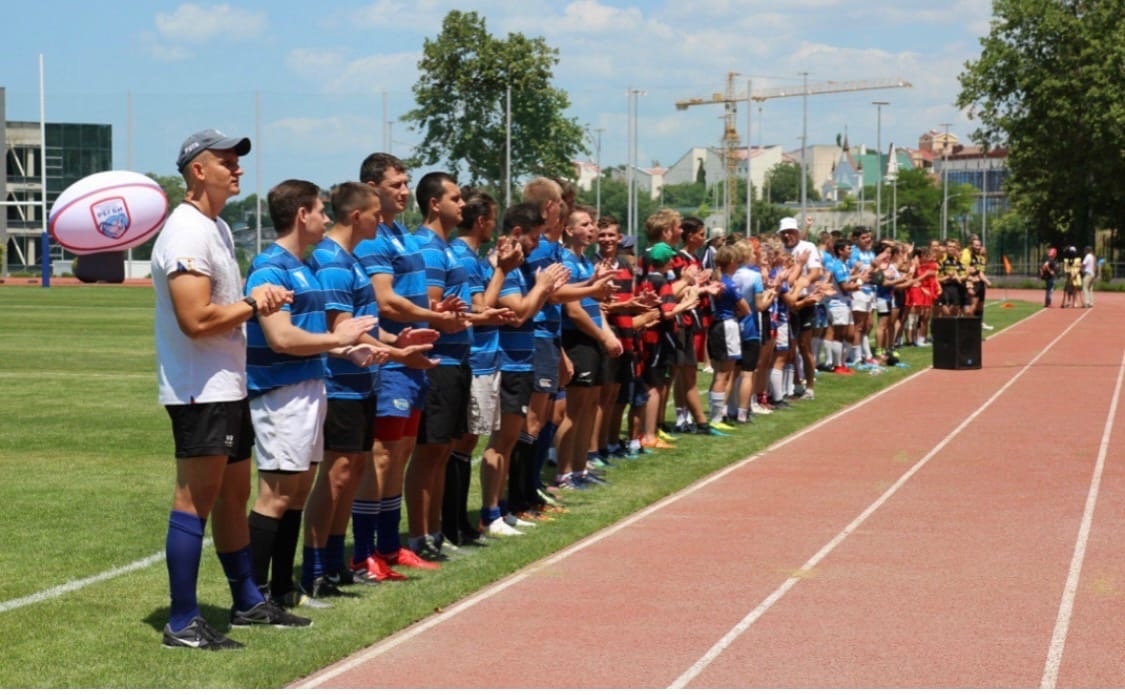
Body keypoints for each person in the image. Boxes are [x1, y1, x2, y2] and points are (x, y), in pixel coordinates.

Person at [153, 129, 305, 650]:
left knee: (233, 495)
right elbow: (195, 318)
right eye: (226, 161)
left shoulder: (214, 227)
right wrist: (255, 304)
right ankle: (182, 620)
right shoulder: (187, 232)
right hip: (201, 388)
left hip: (226, 385)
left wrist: (250, 300)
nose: (237, 168)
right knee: (195, 499)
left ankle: (246, 601)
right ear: (198, 169)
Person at [244, 180, 380, 610]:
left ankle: (284, 591)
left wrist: (351, 349)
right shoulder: (270, 267)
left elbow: (318, 336)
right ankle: (253, 596)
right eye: (321, 210)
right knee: (277, 494)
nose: (326, 217)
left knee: (298, 493)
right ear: (302, 214)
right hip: (281, 392)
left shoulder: (301, 266)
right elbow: (281, 337)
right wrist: (335, 340)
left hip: (309, 387)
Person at [300, 182, 437, 599]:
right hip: (339, 383)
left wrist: (398, 343)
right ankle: (316, 566)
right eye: (376, 213)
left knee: (352, 471)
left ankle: (339, 563)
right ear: (356, 216)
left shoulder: (350, 260)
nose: (382, 220)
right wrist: (400, 355)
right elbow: (340, 332)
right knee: (338, 474)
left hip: (360, 383)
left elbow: (364, 328)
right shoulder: (333, 262)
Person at [351, 153, 467, 578]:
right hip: (390, 360)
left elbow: (414, 297)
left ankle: (390, 545)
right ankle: (364, 553)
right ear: (371, 187)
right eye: (396, 184)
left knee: (398, 456)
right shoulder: (373, 237)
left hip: (413, 360)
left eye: (405, 183)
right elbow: (383, 301)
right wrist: (437, 319)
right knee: (382, 457)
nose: (404, 191)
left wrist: (439, 311)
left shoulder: (399, 234)